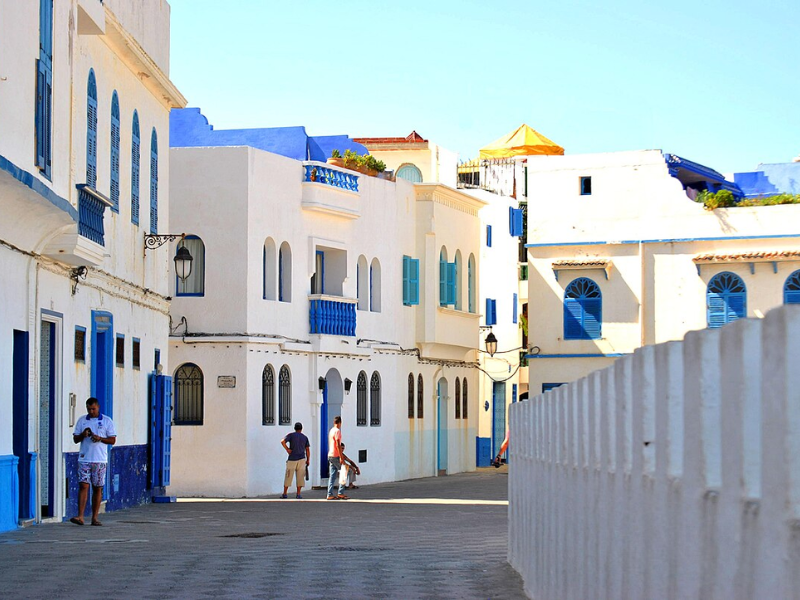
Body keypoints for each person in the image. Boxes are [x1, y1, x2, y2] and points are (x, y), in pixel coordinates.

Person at [70, 397, 116, 526]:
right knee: (83, 485)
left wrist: (100, 438)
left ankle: (95, 517)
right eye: (89, 409)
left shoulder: (107, 421)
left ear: (98, 407)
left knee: (98, 487)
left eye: (93, 409)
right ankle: (80, 516)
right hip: (84, 458)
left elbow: (112, 440)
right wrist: (83, 435)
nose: (91, 411)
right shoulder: (82, 421)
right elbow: (75, 439)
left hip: (100, 460)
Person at [281, 422, 310, 499]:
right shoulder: (305, 437)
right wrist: (308, 460)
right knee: (300, 477)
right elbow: (307, 450)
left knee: (288, 476)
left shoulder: (291, 435)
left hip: (292, 458)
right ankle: (298, 494)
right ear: (301, 429)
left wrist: (287, 449)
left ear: (295, 428)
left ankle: (285, 493)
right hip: (301, 459)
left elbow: (282, 441)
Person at [327, 416, 348, 500]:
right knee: (344, 471)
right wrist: (341, 456)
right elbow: (338, 444)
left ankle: (330, 494)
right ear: (340, 423)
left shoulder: (331, 430)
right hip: (336, 455)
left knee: (332, 476)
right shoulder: (337, 431)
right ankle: (341, 492)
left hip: (330, 455)